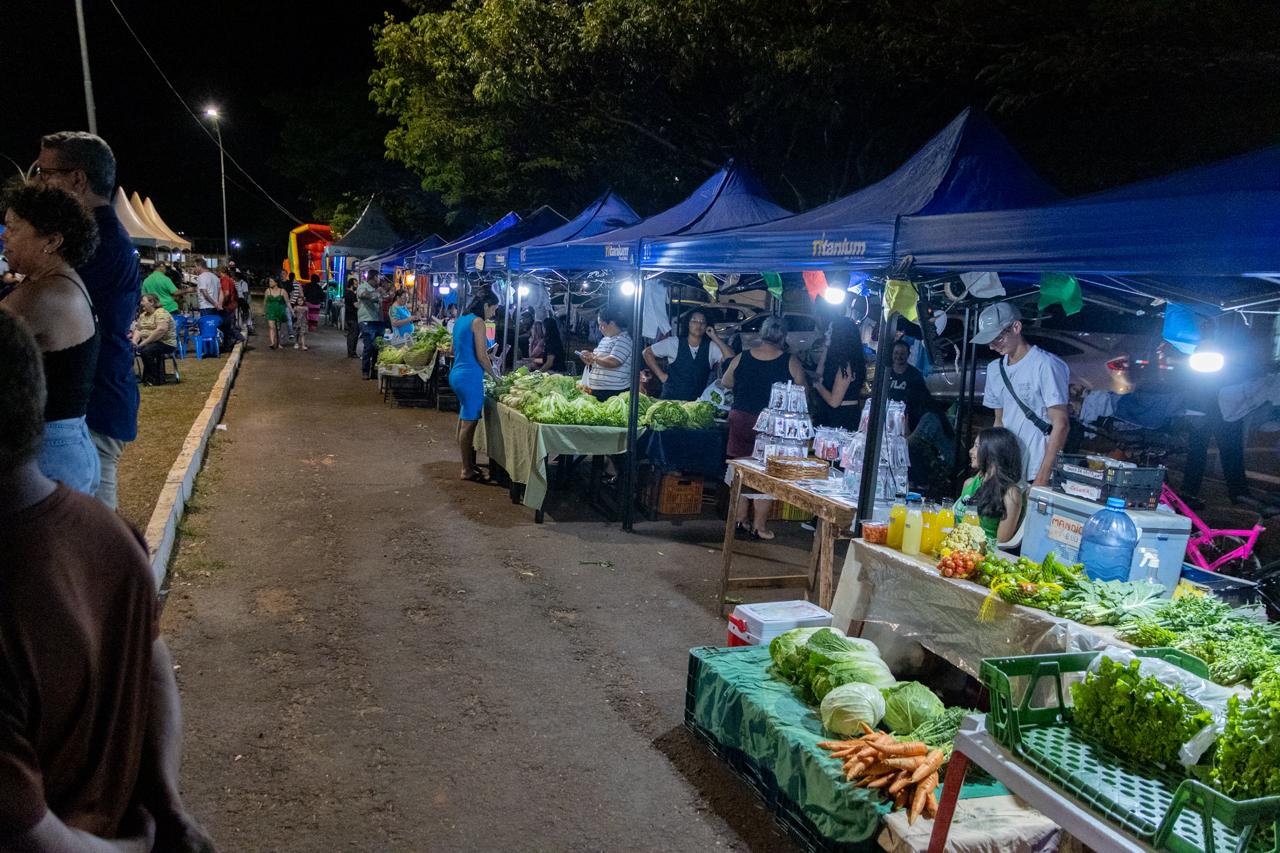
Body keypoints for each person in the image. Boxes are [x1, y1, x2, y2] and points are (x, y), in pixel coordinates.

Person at [0, 309, 216, 853]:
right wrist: (167, 807)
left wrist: (136, 849)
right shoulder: (111, 535)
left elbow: (28, 836)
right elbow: (152, 665)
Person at [32, 131, 141, 510]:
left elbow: (48, 302)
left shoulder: (98, 244)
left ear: (77, 179)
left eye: (44, 173)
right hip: (92, 401)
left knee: (87, 528)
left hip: (92, 405)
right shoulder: (97, 239)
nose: (38, 185)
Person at [1, 181, 102, 495]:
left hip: (48, 451)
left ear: (52, 240)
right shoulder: (65, 282)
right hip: (69, 442)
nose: (4, 236)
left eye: (13, 227)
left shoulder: (41, 296)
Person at [721, 317, 807, 540]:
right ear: (783, 337)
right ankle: (759, 526)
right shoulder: (790, 362)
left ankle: (740, 520)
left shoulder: (743, 356)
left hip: (741, 419)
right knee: (765, 473)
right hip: (771, 426)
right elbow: (802, 394)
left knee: (741, 469)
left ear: (762, 333)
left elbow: (726, 381)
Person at [977, 302, 1069, 486]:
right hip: (1007, 468)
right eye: (989, 341)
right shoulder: (994, 369)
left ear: (1016, 327)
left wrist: (1042, 478)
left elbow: (1061, 424)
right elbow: (999, 422)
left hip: (1036, 467)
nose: (992, 346)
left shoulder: (1046, 364)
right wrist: (991, 467)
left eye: (997, 338)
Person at [449, 290, 499, 482]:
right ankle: (466, 469)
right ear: (486, 305)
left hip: (457, 374)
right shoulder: (478, 322)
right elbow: (481, 356)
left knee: (464, 421)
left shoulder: (461, 319)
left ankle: (469, 464)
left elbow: (453, 349)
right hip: (469, 378)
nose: (493, 313)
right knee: (469, 426)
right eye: (493, 309)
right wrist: (495, 377)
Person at [955, 427, 1026, 543]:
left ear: (992, 452)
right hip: (956, 546)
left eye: (977, 446)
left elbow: (1001, 542)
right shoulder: (970, 483)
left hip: (982, 551)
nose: (971, 451)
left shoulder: (1010, 493)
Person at [642, 310, 732, 400]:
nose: (698, 324)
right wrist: (661, 376)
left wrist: (714, 337)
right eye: (694, 321)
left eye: (702, 322)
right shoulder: (674, 343)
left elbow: (730, 357)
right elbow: (647, 352)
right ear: (688, 324)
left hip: (696, 403)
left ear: (706, 326)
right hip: (670, 400)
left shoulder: (711, 347)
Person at [812, 318, 867, 429]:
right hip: (833, 415)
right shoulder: (839, 360)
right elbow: (818, 373)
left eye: (830, 331)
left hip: (841, 418)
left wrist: (818, 386)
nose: (826, 333)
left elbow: (834, 401)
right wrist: (826, 347)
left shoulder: (846, 364)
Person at [577, 306, 634, 401]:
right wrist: (587, 356)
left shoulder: (624, 339)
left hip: (612, 392)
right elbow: (596, 360)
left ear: (612, 323)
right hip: (596, 389)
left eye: (602, 325)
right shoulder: (605, 339)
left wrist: (594, 358)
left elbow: (614, 361)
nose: (599, 329)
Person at [886, 339, 933, 432]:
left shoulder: (915, 375)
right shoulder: (886, 373)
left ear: (908, 354)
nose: (899, 356)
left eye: (902, 353)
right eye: (896, 353)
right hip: (886, 418)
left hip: (908, 421)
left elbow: (921, 400)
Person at [132, 294, 177, 385]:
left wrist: (143, 343)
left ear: (152, 302)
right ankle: (129, 378)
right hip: (148, 343)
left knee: (147, 351)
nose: (141, 303)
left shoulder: (161, 313)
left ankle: (154, 378)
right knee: (128, 349)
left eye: (143, 301)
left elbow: (161, 330)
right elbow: (138, 330)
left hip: (165, 343)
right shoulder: (143, 315)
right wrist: (134, 341)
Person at [357, 277, 389, 378]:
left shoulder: (378, 290)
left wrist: (384, 293)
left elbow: (386, 297)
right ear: (374, 277)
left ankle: (374, 370)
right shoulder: (363, 287)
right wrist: (377, 293)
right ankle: (365, 371)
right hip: (367, 320)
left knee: (377, 346)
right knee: (369, 346)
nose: (379, 280)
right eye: (378, 277)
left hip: (378, 321)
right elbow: (363, 295)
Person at [263, 278, 289, 350]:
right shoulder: (267, 291)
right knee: (271, 327)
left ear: (276, 282)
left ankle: (279, 343)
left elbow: (287, 302)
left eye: (271, 281)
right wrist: (264, 311)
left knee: (279, 328)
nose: (269, 283)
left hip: (280, 311)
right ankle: (272, 342)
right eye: (269, 281)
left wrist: (291, 311)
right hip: (270, 311)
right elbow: (265, 301)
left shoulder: (282, 291)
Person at [289, 273, 309, 351]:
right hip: (297, 321)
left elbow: (307, 315)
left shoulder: (305, 308)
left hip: (303, 322)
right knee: (297, 332)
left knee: (302, 333)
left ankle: (303, 345)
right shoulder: (296, 307)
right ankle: (296, 342)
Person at [343, 275, 359, 358]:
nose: (357, 286)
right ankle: (352, 352)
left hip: (349, 316)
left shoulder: (347, 293)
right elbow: (356, 305)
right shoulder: (351, 294)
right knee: (353, 335)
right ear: (352, 285)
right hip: (353, 317)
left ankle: (351, 352)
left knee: (351, 334)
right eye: (356, 284)